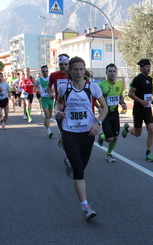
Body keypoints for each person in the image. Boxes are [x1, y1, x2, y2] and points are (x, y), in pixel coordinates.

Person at [54, 56, 108, 220]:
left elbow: (104, 108)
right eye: (75, 69)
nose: (78, 72)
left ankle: (69, 163)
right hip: (69, 132)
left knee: (81, 167)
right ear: (70, 71)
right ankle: (85, 206)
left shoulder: (93, 88)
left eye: (81, 69)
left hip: (88, 133)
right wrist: (58, 111)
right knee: (79, 171)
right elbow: (58, 103)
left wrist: (98, 124)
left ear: (85, 70)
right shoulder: (64, 88)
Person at [121, 59, 153, 162]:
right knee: (137, 133)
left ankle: (148, 152)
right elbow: (130, 94)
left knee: (151, 130)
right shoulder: (137, 79)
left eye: (149, 66)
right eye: (146, 66)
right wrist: (141, 102)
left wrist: (152, 101)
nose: (148, 68)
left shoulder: (150, 79)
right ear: (141, 68)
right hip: (138, 109)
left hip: (147, 109)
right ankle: (127, 129)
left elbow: (147, 94)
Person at [97, 63, 127, 162]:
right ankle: (101, 136)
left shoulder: (120, 85)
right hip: (105, 114)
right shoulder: (101, 85)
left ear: (116, 72)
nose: (112, 73)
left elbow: (120, 97)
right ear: (106, 73)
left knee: (115, 137)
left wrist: (122, 103)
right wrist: (99, 107)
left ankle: (109, 153)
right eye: (110, 71)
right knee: (109, 138)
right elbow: (94, 98)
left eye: (114, 71)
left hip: (115, 113)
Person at [47, 54, 71, 170]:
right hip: (60, 107)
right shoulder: (53, 75)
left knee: (71, 133)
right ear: (58, 64)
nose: (63, 66)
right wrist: (51, 93)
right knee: (65, 134)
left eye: (66, 64)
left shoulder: (72, 74)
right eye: (61, 64)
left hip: (72, 107)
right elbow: (48, 86)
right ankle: (69, 157)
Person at [35, 65, 53, 138]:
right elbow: (36, 85)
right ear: (41, 72)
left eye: (46, 71)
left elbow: (54, 86)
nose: (45, 72)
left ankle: (44, 118)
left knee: (50, 116)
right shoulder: (39, 79)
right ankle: (49, 131)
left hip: (51, 99)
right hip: (44, 99)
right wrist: (38, 89)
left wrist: (53, 93)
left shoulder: (51, 78)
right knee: (47, 114)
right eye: (43, 71)